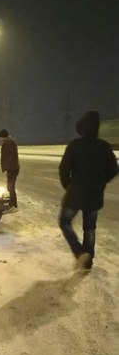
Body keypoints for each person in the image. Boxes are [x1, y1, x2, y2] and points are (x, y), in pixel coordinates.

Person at [58, 110, 118, 271]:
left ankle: (79, 253)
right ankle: (88, 262)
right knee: (90, 227)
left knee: (64, 222)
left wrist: (68, 185)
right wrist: (101, 182)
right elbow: (114, 169)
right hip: (94, 195)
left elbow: (64, 168)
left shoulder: (75, 145)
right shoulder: (104, 147)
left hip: (76, 193)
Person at [0, 129, 20, 212]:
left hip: (13, 168)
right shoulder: (8, 142)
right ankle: (11, 204)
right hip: (11, 168)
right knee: (9, 187)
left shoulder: (10, 142)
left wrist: (8, 164)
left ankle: (14, 205)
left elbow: (13, 154)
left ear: (3, 136)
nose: (0, 139)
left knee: (11, 188)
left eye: (0, 137)